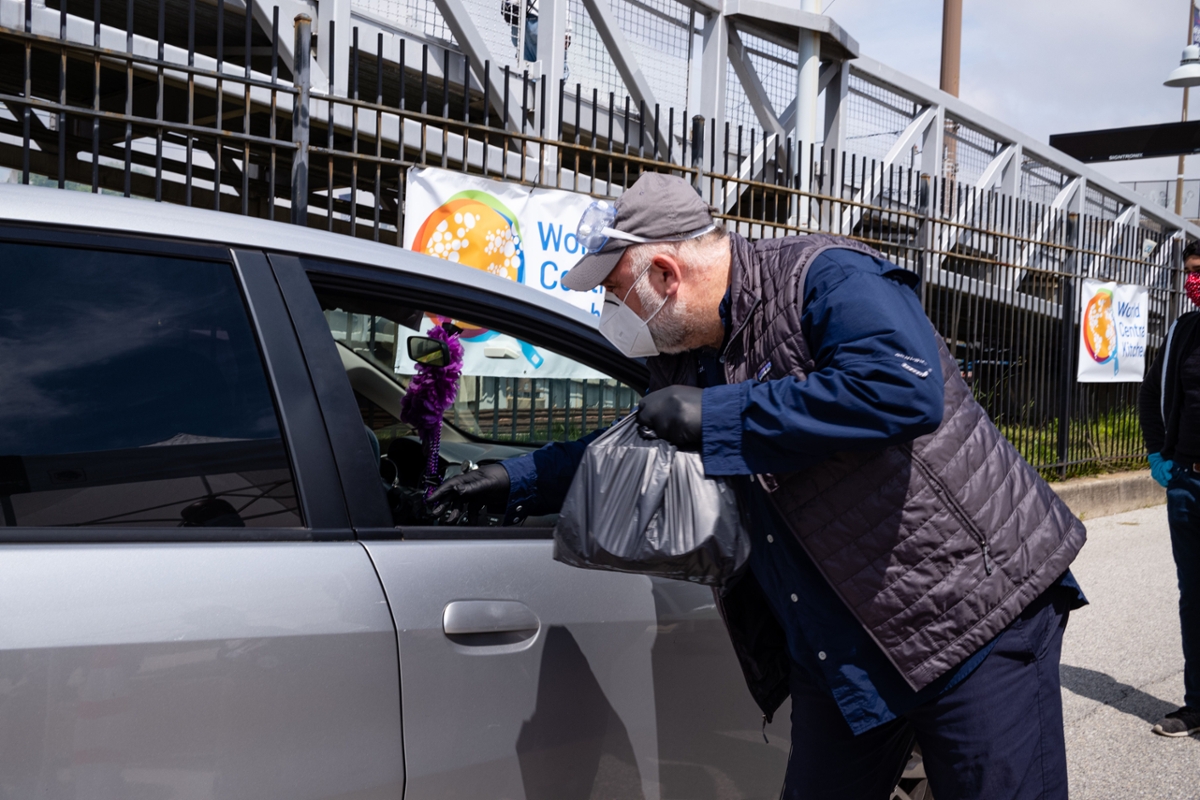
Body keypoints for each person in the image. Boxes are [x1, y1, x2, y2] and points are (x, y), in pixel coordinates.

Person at [431, 173, 1088, 799]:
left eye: (615, 294)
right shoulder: (685, 355)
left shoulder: (825, 276)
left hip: (966, 615)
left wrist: (716, 415)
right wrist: (510, 480)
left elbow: (901, 390)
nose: (611, 315)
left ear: (665, 274)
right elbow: (631, 447)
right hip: (840, 642)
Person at [1139, 239, 1200, 738]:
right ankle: (1197, 705)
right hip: (1187, 483)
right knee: (1194, 597)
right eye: (1190, 271)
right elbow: (1151, 392)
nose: (1192, 280)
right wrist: (1159, 453)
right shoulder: (1184, 329)